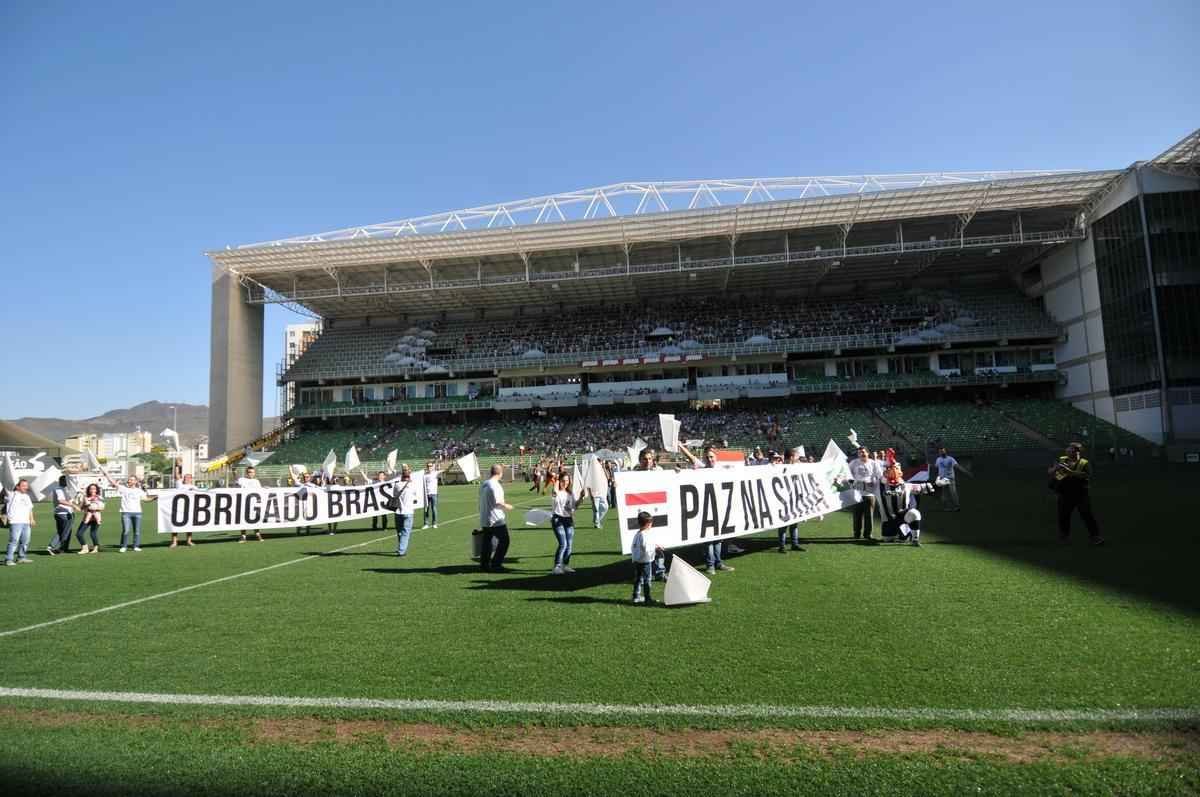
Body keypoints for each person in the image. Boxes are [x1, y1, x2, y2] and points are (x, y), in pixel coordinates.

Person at [679, 443, 735, 574]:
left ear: (716, 457)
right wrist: (680, 446)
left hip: (718, 509)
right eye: (707, 457)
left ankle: (719, 563)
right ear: (704, 458)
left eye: (712, 457)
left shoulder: (722, 470)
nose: (710, 459)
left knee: (718, 539)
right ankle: (710, 565)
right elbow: (691, 457)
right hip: (705, 511)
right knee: (708, 539)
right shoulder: (702, 468)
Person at [1049, 443, 1103, 545]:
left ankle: (1095, 537)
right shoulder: (1062, 459)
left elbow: (1087, 475)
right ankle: (1064, 537)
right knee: (1063, 516)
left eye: (1070, 449)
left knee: (1087, 515)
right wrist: (1056, 468)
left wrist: (1069, 472)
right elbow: (1050, 471)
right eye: (1068, 448)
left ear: (1077, 451)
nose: (1067, 450)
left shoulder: (1084, 463)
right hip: (1064, 493)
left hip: (1080, 494)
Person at [877, 454, 935, 546]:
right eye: (890, 468)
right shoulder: (878, 486)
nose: (892, 470)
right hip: (888, 521)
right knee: (887, 539)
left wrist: (936, 484)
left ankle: (914, 539)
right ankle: (898, 534)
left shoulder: (907, 486)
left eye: (895, 468)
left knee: (914, 513)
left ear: (900, 472)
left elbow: (925, 487)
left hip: (903, 518)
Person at [102, 473, 157, 552]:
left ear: (135, 482)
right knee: (126, 530)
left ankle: (136, 546)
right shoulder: (123, 488)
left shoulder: (139, 490)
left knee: (137, 531)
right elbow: (113, 482)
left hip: (137, 513)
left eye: (132, 479)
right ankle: (124, 546)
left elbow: (145, 499)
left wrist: (153, 498)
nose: (130, 481)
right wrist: (106, 474)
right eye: (129, 479)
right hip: (126, 513)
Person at [478, 463, 514, 571]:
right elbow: (498, 503)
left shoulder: (484, 483)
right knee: (505, 540)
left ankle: (484, 565)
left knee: (487, 542)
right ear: (500, 473)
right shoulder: (496, 485)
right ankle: (496, 564)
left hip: (485, 517)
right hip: (495, 519)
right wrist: (507, 506)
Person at [848, 446, 881, 542]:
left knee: (869, 515)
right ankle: (856, 533)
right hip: (856, 493)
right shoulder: (854, 463)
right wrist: (853, 482)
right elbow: (847, 474)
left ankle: (868, 534)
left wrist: (874, 482)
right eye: (859, 452)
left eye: (863, 452)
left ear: (867, 453)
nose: (861, 454)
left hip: (869, 494)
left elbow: (879, 475)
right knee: (857, 514)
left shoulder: (873, 463)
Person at [630, 511, 663, 605]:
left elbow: (634, 547)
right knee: (647, 579)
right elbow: (646, 548)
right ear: (648, 524)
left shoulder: (638, 534)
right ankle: (648, 598)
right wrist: (656, 548)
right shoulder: (644, 535)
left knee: (638, 578)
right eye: (651, 523)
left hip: (637, 560)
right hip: (645, 561)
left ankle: (636, 596)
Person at [550, 472, 577, 574]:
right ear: (559, 481)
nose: (565, 482)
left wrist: (581, 498)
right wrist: (557, 479)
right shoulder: (556, 492)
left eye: (567, 480)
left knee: (569, 545)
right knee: (563, 544)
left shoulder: (570, 494)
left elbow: (573, 508)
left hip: (568, 520)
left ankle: (565, 565)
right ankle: (557, 566)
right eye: (563, 480)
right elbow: (554, 490)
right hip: (557, 519)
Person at [777, 448, 804, 553]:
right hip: (784, 499)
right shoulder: (782, 468)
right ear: (792, 457)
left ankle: (794, 544)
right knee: (784, 524)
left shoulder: (797, 467)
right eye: (797, 456)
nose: (799, 458)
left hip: (795, 498)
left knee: (794, 523)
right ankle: (782, 546)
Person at [4, 478, 34, 565]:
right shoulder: (12, 495)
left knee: (25, 541)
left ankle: (21, 557)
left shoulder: (27, 496)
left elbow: (30, 509)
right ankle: (8, 559)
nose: (26, 487)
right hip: (15, 521)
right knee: (14, 541)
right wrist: (9, 518)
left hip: (26, 522)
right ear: (17, 487)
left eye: (27, 486)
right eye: (24, 486)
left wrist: (31, 519)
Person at [393, 464, 420, 556]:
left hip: (398, 511)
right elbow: (416, 498)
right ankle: (401, 550)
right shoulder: (413, 484)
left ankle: (401, 547)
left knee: (400, 532)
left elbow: (394, 496)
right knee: (406, 532)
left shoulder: (397, 485)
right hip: (408, 511)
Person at [47, 474, 76, 555]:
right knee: (63, 531)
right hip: (63, 513)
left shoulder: (66, 490)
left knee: (67, 531)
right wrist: (73, 505)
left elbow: (70, 500)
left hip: (66, 513)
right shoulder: (59, 489)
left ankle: (63, 548)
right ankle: (51, 547)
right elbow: (61, 500)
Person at [236, 466, 265, 542]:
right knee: (243, 519)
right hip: (244, 503)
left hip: (254, 504)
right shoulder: (242, 480)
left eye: (252, 472)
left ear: (254, 473)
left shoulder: (256, 481)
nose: (251, 474)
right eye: (249, 472)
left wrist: (265, 488)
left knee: (255, 518)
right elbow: (236, 480)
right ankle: (243, 536)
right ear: (246, 473)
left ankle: (257, 534)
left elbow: (260, 491)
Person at [934, 447, 966, 511]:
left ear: (946, 451)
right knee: (945, 493)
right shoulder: (938, 459)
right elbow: (936, 466)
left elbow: (957, 466)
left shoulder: (951, 459)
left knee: (953, 492)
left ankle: (957, 506)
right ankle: (948, 507)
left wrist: (965, 471)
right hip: (942, 479)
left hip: (950, 478)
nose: (942, 452)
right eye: (940, 452)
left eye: (943, 451)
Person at [169, 474, 197, 548]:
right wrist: (178, 465)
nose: (186, 479)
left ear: (191, 479)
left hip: (189, 509)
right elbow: (177, 475)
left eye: (188, 478)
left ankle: (189, 541)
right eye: (185, 478)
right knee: (175, 525)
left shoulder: (194, 487)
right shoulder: (179, 485)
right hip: (178, 508)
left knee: (189, 525)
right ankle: (174, 542)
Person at [75, 483, 104, 554]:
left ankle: (96, 548)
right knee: (79, 533)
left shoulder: (100, 497)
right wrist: (79, 505)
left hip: (96, 518)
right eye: (91, 489)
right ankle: (85, 548)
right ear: (88, 490)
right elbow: (81, 508)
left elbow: (102, 507)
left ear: (97, 490)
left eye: (94, 488)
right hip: (86, 518)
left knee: (93, 533)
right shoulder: (85, 497)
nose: (92, 490)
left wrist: (93, 506)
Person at [422, 460, 440, 529]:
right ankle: (426, 524)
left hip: (434, 494)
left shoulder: (435, 473)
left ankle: (434, 523)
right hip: (426, 494)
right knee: (426, 509)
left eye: (430, 466)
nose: (429, 467)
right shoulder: (424, 475)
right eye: (428, 466)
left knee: (434, 509)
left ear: (433, 467)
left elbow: (446, 471)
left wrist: (451, 466)